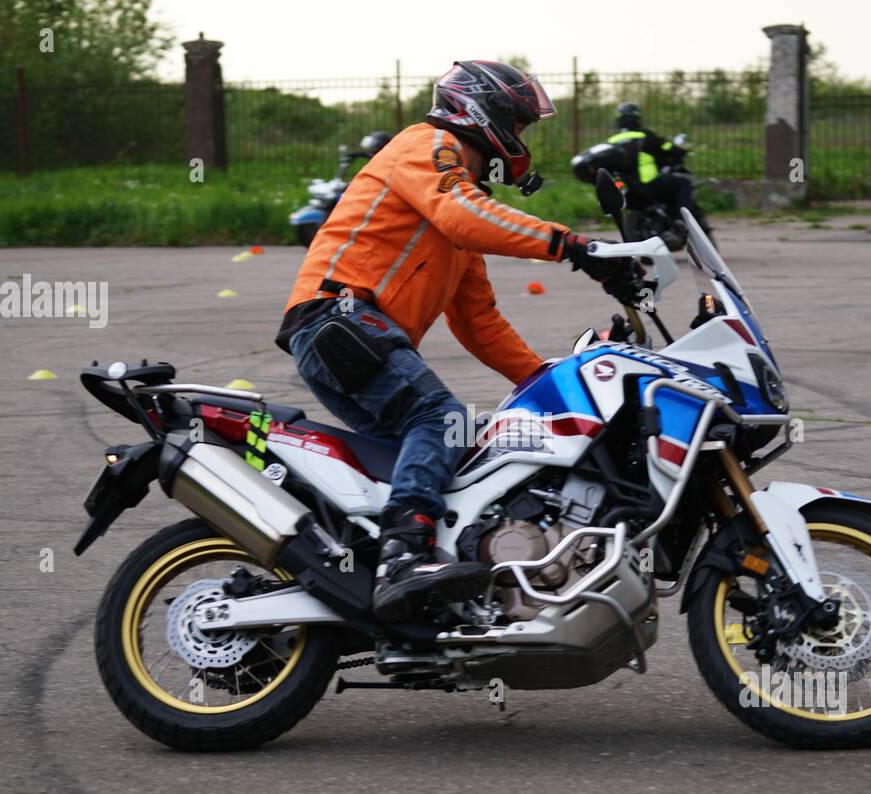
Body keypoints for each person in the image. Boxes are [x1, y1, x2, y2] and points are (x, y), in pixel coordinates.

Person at [277, 60, 631, 622]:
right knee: (440, 419)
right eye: (516, 122)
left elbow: (479, 322)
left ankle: (402, 589)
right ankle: (403, 555)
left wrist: (551, 383)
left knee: (458, 454)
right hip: (338, 320)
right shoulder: (429, 146)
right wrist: (573, 246)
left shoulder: (454, 218)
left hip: (352, 337)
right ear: (482, 110)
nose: (519, 138)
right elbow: (462, 212)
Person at [608, 102, 712, 236]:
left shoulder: (612, 141)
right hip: (649, 183)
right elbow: (667, 147)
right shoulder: (645, 135)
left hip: (627, 187)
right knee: (684, 183)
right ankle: (685, 219)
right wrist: (682, 152)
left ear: (619, 120)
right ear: (637, 118)